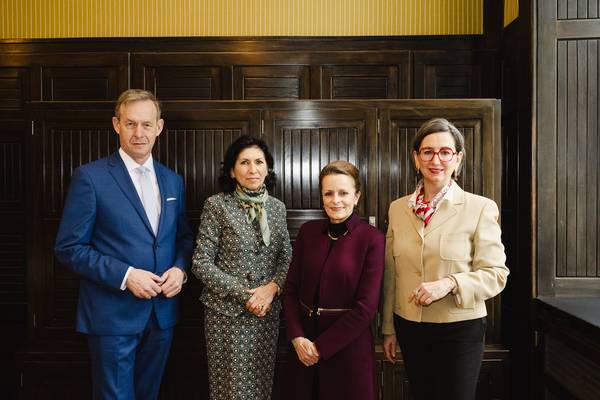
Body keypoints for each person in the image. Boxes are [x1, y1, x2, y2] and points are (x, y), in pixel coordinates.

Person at [54, 89, 194, 399]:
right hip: (111, 317)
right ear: (117, 124)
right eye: (131, 123)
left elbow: (183, 237)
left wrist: (180, 270)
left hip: (162, 315)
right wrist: (126, 276)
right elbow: (69, 248)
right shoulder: (90, 177)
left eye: (147, 124)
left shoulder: (173, 180)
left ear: (159, 127)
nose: (139, 133)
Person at [381, 118, 509, 400]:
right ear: (416, 158)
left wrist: (450, 283)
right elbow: (391, 273)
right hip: (410, 327)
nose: (435, 160)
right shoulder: (398, 209)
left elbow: (496, 274)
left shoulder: (480, 208)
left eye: (445, 152)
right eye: (427, 152)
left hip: (460, 330)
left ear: (458, 159)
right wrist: (388, 328)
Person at [192, 135, 292, 400]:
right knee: (230, 390)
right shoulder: (217, 205)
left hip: (266, 314)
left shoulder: (277, 208)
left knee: (261, 387)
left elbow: (286, 258)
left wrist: (272, 289)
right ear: (232, 171)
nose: (252, 169)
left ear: (268, 168)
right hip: (226, 315)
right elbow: (201, 262)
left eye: (259, 162)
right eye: (244, 162)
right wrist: (246, 295)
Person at [282, 160, 385, 400]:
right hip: (302, 350)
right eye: (328, 193)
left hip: (348, 352)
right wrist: (297, 337)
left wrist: (320, 348)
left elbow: (366, 308)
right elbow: (290, 290)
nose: (335, 200)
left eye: (343, 193)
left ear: (356, 197)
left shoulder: (372, 239)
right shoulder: (308, 232)